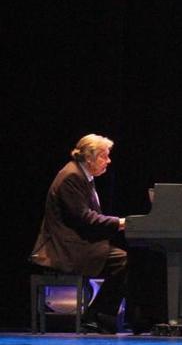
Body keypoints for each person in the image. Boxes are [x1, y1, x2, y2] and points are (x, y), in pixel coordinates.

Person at [31, 134, 127, 334]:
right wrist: (119, 222)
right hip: (67, 248)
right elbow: (84, 217)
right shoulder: (71, 176)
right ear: (90, 157)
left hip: (77, 243)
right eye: (104, 156)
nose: (108, 161)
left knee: (125, 258)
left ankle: (99, 316)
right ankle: (95, 316)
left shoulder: (82, 176)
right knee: (123, 260)